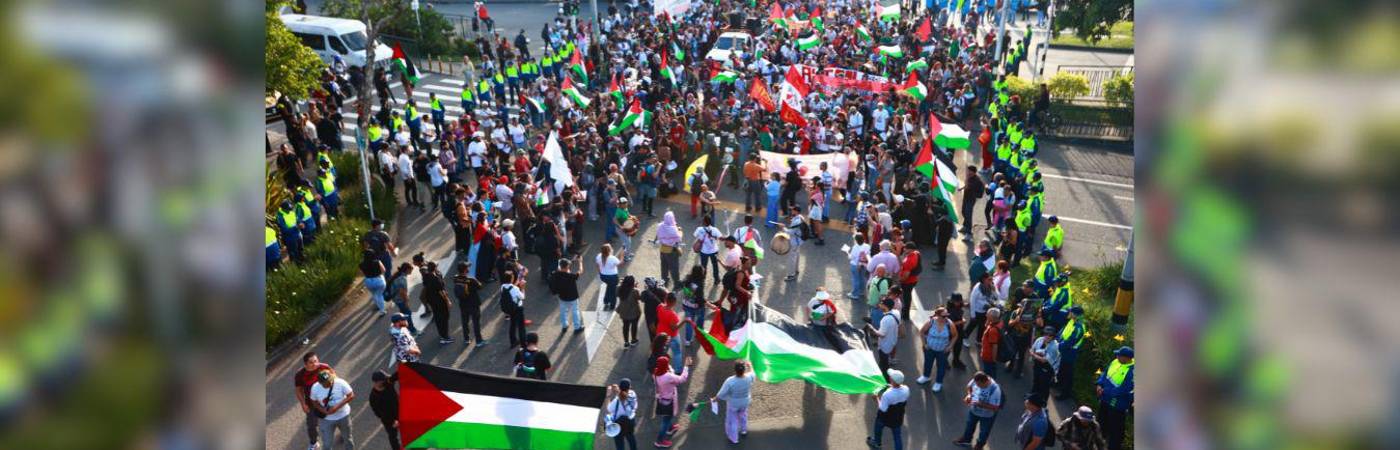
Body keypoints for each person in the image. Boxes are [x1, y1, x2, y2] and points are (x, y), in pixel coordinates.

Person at [1096, 347, 1135, 450]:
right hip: (1105, 398)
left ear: (1127, 358)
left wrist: (1105, 391)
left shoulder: (1132, 371)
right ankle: (1098, 441)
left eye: (1119, 355)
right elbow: (1105, 373)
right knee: (1101, 420)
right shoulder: (1115, 361)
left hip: (1117, 403)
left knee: (1116, 428)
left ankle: (1113, 446)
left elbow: (1124, 389)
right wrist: (1099, 384)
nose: (1117, 356)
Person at [652, 355, 693, 448]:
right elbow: (682, 379)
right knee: (665, 420)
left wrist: (668, 367)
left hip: (662, 399)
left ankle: (670, 428)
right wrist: (686, 366)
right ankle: (659, 441)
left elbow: (670, 373)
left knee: (666, 417)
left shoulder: (656, 372)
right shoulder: (668, 376)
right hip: (669, 401)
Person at [954, 371, 1002, 449]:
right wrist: (969, 395)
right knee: (969, 426)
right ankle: (966, 440)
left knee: (984, 432)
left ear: (985, 381)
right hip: (974, 411)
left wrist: (980, 404)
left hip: (987, 415)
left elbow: (995, 407)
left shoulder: (995, 389)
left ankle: (979, 445)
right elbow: (969, 387)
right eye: (976, 384)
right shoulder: (976, 380)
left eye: (979, 385)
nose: (977, 386)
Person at [711, 361, 756, 445]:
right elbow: (753, 373)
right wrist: (750, 365)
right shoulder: (749, 377)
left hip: (733, 403)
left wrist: (715, 398)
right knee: (743, 416)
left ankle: (734, 438)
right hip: (745, 402)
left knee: (732, 420)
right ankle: (743, 430)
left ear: (735, 370)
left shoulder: (730, 381)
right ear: (744, 370)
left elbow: (722, 393)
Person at [293, 352, 331, 450]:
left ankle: (344, 434)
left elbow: (335, 379)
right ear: (305, 364)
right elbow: (298, 390)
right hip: (311, 404)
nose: (315, 364)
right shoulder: (300, 375)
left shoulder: (324, 367)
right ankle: (314, 443)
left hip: (328, 400)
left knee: (336, 418)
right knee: (312, 425)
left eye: (316, 361)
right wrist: (303, 404)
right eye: (311, 362)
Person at [310, 368, 355, 450]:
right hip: (326, 420)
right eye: (326, 383)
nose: (330, 383)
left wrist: (337, 407)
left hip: (343, 416)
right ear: (320, 383)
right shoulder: (315, 388)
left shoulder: (340, 382)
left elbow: (351, 395)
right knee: (327, 444)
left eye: (330, 380)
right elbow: (314, 402)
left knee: (348, 439)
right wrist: (323, 410)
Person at [867, 369, 910, 450]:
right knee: (897, 436)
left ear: (892, 380)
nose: (889, 377)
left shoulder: (887, 395)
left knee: (878, 427)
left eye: (891, 377)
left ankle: (877, 443)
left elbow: (882, 409)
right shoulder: (906, 389)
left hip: (885, 418)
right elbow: (898, 390)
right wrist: (892, 386)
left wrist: (876, 398)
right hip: (898, 417)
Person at [917, 307, 959, 391]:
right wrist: (924, 344)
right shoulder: (931, 322)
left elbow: (955, 336)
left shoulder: (949, 324)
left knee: (941, 366)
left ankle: (938, 382)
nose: (946, 318)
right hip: (930, 349)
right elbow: (921, 332)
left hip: (943, 351)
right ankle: (926, 376)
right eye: (943, 316)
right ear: (937, 315)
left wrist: (950, 347)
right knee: (928, 363)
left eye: (947, 315)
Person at [865, 298, 900, 381]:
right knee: (882, 362)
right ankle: (880, 370)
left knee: (884, 364)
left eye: (881, 303)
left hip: (885, 345)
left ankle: (886, 380)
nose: (880, 304)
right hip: (893, 341)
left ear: (885, 306)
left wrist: (871, 328)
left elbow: (881, 334)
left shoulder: (885, 319)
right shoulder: (896, 312)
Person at [452, 261, 486, 346]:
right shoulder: (471, 280)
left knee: (465, 322)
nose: (468, 268)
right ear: (465, 270)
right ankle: (479, 340)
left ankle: (466, 339)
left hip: (463, 304)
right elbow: (480, 286)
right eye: (467, 267)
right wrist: (475, 279)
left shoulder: (455, 278)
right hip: (473, 303)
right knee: (476, 322)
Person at [1056, 306, 1087, 399]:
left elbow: (1070, 342)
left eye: (1070, 312)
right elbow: (1064, 333)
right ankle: (1058, 384)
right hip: (1065, 350)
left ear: (1075, 315)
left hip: (1070, 352)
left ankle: (1065, 393)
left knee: (1067, 373)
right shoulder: (1072, 321)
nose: (1068, 313)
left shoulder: (1078, 327)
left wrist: (1058, 346)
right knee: (1061, 369)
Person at [420, 261, 454, 344]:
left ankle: (442, 334)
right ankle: (445, 337)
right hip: (439, 300)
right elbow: (441, 292)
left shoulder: (426, 276)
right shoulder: (436, 279)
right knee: (444, 317)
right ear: (435, 268)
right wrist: (448, 301)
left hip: (432, 300)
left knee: (438, 317)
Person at [369, 370, 402, 450]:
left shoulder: (388, 383)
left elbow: (396, 375)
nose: (386, 379)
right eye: (383, 379)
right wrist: (393, 421)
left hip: (401, 413)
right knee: (393, 437)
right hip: (389, 421)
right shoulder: (373, 397)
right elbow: (378, 413)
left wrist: (405, 365)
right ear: (376, 382)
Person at [550, 256, 585, 333]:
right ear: (567, 267)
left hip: (562, 296)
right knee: (575, 311)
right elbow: (580, 271)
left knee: (563, 311)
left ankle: (564, 326)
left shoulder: (555, 274)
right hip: (572, 297)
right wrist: (580, 262)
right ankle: (577, 327)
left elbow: (563, 266)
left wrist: (573, 260)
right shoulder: (571, 276)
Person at [386, 263, 419, 336]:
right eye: (411, 270)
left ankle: (403, 328)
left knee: (403, 314)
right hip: (400, 300)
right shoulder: (402, 278)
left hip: (396, 299)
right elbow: (402, 292)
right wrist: (406, 301)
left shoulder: (398, 275)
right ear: (407, 269)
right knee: (408, 314)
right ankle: (413, 331)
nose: (411, 271)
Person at [605, 379, 639, 450]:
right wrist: (618, 390)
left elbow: (609, 409)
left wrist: (608, 396)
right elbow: (624, 396)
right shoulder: (632, 394)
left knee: (619, 443)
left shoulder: (616, 401)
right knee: (631, 438)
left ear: (620, 388)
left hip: (618, 424)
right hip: (630, 421)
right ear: (629, 387)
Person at [1029, 327, 1061, 400]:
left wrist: (1033, 355)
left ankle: (1043, 403)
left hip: (1049, 368)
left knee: (1044, 386)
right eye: (1046, 334)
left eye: (1050, 335)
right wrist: (1033, 354)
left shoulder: (1054, 346)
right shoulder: (1039, 340)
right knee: (1036, 381)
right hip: (1037, 364)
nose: (1047, 336)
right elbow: (1033, 348)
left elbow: (1044, 360)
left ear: (1053, 337)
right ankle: (1032, 397)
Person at [678, 265, 706, 346]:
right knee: (700, 319)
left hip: (687, 304)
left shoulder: (687, 278)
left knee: (689, 323)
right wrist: (706, 304)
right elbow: (700, 298)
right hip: (697, 306)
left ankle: (687, 340)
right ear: (700, 273)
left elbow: (681, 285)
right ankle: (699, 334)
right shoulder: (699, 284)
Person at [655, 211, 684, 286]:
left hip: (663, 249)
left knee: (664, 267)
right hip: (672, 251)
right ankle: (676, 283)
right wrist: (680, 231)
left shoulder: (660, 226)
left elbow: (658, 235)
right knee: (674, 268)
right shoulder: (673, 229)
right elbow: (679, 239)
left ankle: (664, 281)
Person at [500, 270, 529, 347]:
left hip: (510, 309)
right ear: (512, 278)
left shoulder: (502, 287)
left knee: (513, 325)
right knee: (521, 326)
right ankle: (523, 343)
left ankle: (513, 341)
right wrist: (523, 288)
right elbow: (523, 297)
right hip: (518, 308)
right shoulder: (515, 288)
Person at [692, 216, 722, 282]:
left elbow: (695, 235)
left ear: (704, 222)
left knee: (703, 265)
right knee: (715, 265)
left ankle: (703, 278)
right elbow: (721, 238)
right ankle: (716, 279)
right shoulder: (715, 229)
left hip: (704, 251)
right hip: (714, 251)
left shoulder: (699, 229)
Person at [783, 206, 808, 281]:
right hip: (799, 240)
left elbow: (791, 232)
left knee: (792, 258)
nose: (791, 212)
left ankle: (791, 274)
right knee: (797, 255)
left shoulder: (796, 221)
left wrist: (783, 228)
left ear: (796, 212)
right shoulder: (801, 217)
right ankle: (796, 270)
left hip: (794, 241)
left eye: (792, 210)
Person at [978, 307, 1004, 379]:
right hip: (988, 356)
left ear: (992, 318)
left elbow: (994, 346)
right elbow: (986, 326)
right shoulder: (998, 323)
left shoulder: (993, 330)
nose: (986, 315)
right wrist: (988, 320)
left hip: (989, 357)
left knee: (989, 376)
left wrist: (993, 359)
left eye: (987, 315)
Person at [617, 275, 642, 347]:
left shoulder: (619, 288)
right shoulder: (634, 291)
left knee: (625, 326)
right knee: (634, 326)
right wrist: (636, 287)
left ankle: (626, 342)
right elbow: (639, 298)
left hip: (624, 311)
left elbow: (617, 293)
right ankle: (633, 340)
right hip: (634, 312)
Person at [946, 294, 970, 369]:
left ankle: (956, 361)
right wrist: (961, 321)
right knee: (948, 347)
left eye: (960, 301)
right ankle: (944, 361)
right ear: (952, 301)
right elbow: (949, 323)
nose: (959, 303)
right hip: (951, 331)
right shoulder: (949, 310)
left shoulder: (958, 305)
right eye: (957, 302)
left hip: (959, 330)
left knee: (958, 347)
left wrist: (968, 304)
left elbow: (964, 305)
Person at [361, 250, 388, 314]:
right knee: (379, 295)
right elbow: (384, 270)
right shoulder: (377, 262)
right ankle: (382, 310)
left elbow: (362, 274)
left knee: (374, 294)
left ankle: (378, 306)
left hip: (368, 281)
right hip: (378, 279)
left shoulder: (361, 264)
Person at [597, 243, 623, 311]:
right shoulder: (613, 258)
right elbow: (620, 263)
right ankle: (612, 305)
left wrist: (600, 273)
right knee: (613, 291)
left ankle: (606, 301)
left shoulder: (599, 256)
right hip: (612, 277)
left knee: (609, 288)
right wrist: (622, 254)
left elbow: (598, 265)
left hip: (603, 276)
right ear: (609, 250)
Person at [846, 233, 871, 300]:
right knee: (862, 278)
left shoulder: (855, 247)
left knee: (855, 279)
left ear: (856, 240)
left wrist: (847, 252)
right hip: (863, 264)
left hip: (855, 265)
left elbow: (851, 257)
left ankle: (855, 294)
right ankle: (862, 292)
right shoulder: (867, 246)